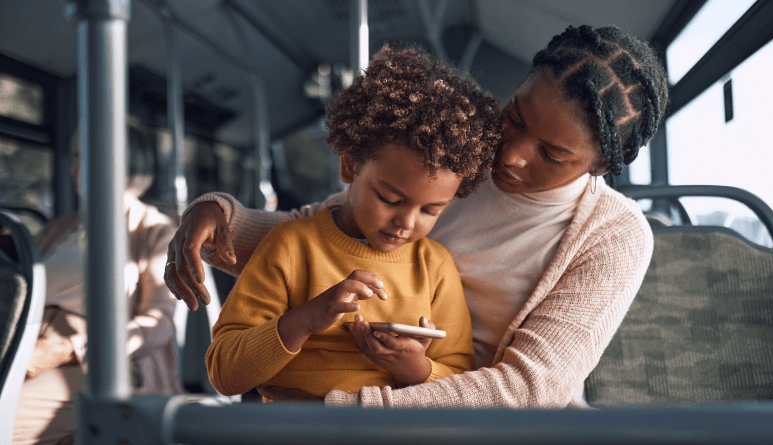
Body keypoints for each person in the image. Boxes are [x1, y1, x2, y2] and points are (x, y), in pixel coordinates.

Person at [166, 25, 669, 408]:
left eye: (553, 155)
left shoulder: (614, 236)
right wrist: (218, 216)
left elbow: (531, 387)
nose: (511, 154)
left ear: (601, 167)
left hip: (460, 419)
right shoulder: (456, 155)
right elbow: (317, 237)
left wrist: (338, 408)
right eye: (514, 115)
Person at [206, 46, 500, 398]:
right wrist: (305, 320)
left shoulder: (435, 268)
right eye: (390, 199)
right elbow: (224, 374)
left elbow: (459, 385)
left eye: (430, 211)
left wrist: (413, 367)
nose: (405, 223)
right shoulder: (290, 246)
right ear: (350, 165)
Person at [13, 127, 181, 445]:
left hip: (106, 358)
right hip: (29, 343)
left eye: (85, 156)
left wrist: (67, 349)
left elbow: (158, 324)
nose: (76, 167)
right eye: (74, 156)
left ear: (124, 160)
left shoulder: (154, 231)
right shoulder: (59, 229)